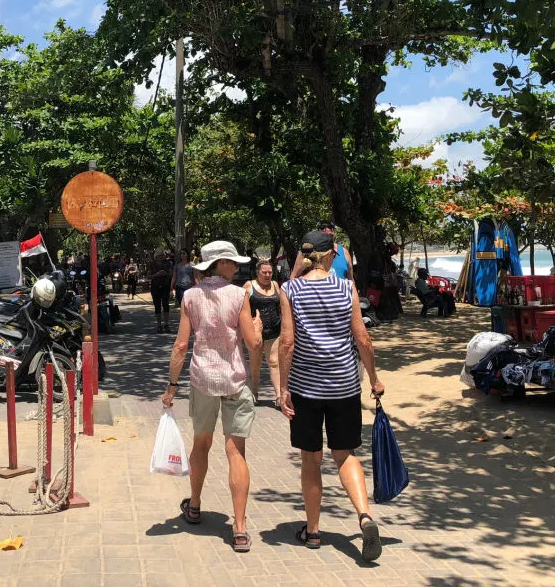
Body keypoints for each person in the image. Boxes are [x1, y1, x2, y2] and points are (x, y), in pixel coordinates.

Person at [278, 230, 386, 562]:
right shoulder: (347, 288)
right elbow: (362, 338)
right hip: (344, 387)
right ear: (331, 255)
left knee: (311, 459)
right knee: (345, 454)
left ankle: (312, 532)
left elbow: (287, 342)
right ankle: (365, 516)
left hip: (306, 388)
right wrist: (374, 377)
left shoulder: (289, 290)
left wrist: (282, 388)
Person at [161, 240, 262, 553]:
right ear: (221, 264)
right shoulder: (239, 295)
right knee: (236, 452)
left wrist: (171, 386)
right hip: (234, 380)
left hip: (202, 379)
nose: (235, 267)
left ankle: (194, 505)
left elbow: (180, 346)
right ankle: (241, 528)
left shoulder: (190, 297)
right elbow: (253, 343)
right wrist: (256, 328)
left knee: (201, 443)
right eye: (231, 262)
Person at [245, 259, 283, 407]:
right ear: (257, 273)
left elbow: (281, 305)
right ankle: (254, 391)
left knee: (274, 362)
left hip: (274, 330)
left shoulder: (275, 285)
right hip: (256, 332)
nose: (267, 275)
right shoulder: (249, 285)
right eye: (264, 272)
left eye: (270, 272)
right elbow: (241, 307)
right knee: (256, 364)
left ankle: (279, 396)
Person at [150, 249, 172, 333]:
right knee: (157, 305)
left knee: (166, 304)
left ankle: (166, 324)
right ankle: (159, 325)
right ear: (156, 256)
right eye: (159, 255)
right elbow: (148, 276)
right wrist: (156, 275)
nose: (161, 257)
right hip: (155, 286)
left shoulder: (167, 263)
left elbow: (171, 274)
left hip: (165, 286)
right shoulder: (152, 264)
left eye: (162, 255)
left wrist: (165, 273)